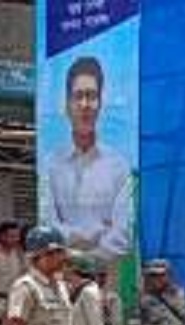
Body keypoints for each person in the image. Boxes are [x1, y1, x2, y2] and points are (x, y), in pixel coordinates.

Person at [40, 56, 134, 259]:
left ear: (100, 104)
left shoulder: (119, 166)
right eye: (78, 96)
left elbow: (122, 237)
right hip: (61, 270)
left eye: (91, 96)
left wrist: (76, 248)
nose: (85, 105)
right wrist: (97, 232)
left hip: (105, 271)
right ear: (67, 105)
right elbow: (48, 228)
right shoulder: (51, 164)